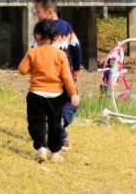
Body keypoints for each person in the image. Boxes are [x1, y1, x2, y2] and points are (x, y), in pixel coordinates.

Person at [18, 19, 78, 163]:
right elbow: (67, 77)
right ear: (55, 37)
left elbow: (22, 70)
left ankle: (41, 148)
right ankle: (55, 153)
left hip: (36, 94)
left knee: (36, 122)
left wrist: (31, 59)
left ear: (37, 36)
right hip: (56, 96)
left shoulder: (33, 52)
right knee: (55, 124)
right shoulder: (60, 55)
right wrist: (73, 94)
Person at [32, 0, 82, 151]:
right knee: (71, 103)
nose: (36, 15)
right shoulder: (67, 27)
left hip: (47, 78)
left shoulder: (42, 30)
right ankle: (61, 130)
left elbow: (34, 52)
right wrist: (76, 70)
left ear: (49, 12)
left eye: (38, 12)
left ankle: (59, 132)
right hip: (65, 76)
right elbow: (76, 48)